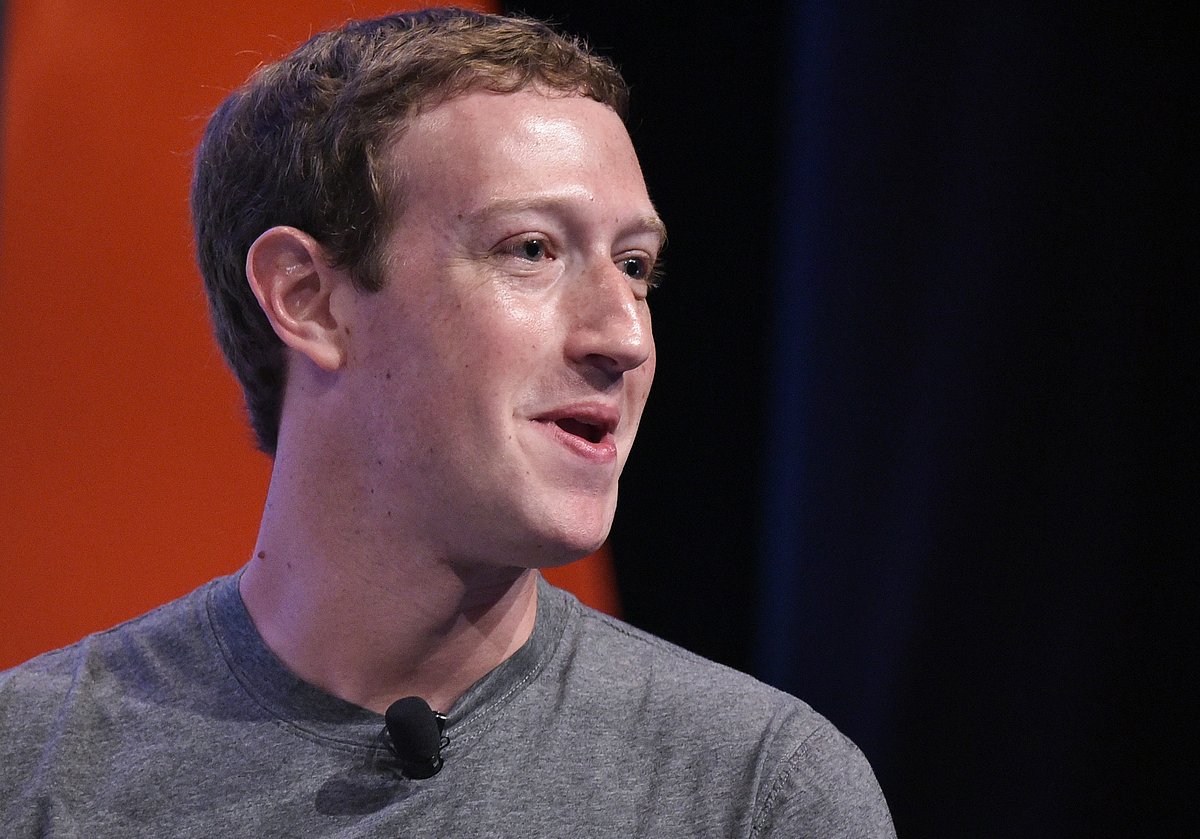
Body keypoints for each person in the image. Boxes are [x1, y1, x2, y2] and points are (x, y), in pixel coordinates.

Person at [0, 9, 894, 837]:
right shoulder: (30, 769)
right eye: (532, 250)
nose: (623, 335)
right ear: (307, 299)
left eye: (635, 266)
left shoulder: (757, 791)